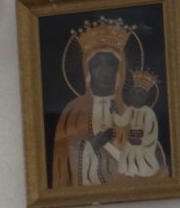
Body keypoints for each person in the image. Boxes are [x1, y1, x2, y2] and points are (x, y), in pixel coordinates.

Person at [51, 20, 168, 188]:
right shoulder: (73, 112)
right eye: (97, 64)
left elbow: (150, 153)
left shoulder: (132, 111)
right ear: (88, 70)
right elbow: (63, 162)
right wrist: (91, 146)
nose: (104, 71)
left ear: (119, 70)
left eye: (110, 64)